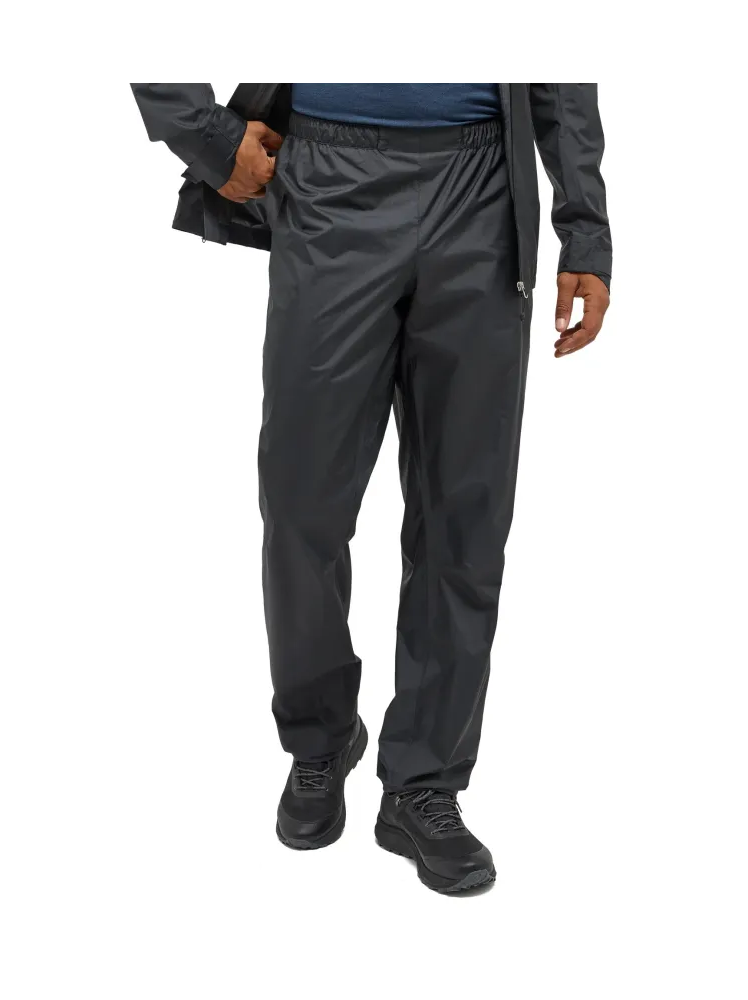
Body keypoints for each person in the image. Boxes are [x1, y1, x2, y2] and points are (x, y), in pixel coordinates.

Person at [130, 80, 611, 894]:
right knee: (300, 505)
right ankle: (319, 738)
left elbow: (562, 62)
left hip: (481, 191)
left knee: (464, 515)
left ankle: (424, 783)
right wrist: (207, 135)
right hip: (326, 174)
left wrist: (586, 234)